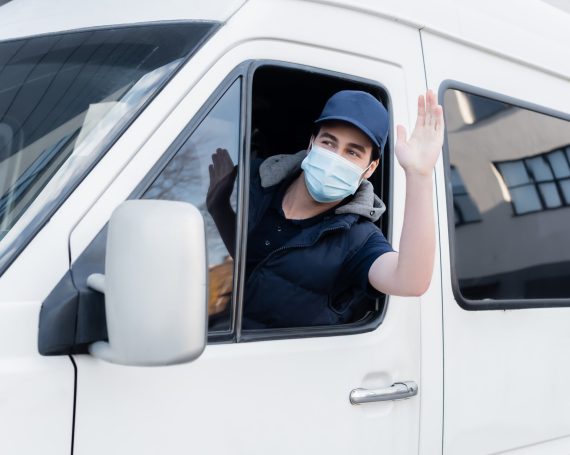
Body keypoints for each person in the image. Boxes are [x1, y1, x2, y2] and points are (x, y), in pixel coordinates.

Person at [207, 89, 444, 329]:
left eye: (352, 152)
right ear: (312, 143)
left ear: (370, 168)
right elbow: (246, 259)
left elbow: (409, 281)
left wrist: (419, 175)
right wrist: (218, 207)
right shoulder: (256, 179)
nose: (334, 158)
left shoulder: (359, 239)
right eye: (329, 142)